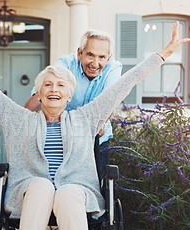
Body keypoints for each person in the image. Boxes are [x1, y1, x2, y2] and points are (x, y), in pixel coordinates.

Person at [0, 22, 189, 230]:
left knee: (68, 192)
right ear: (38, 94)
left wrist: (165, 53)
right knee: (40, 185)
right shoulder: (18, 119)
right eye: (48, 85)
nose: (54, 90)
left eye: (61, 86)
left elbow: (123, 85)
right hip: (30, 190)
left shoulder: (85, 117)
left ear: (70, 96)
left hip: (76, 191)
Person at [24, 30, 122, 178]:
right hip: (60, 137)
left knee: (96, 185)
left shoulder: (114, 68)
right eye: (90, 55)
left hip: (94, 140)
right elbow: (44, 92)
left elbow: (109, 99)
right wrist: (23, 119)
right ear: (79, 53)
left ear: (108, 58)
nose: (95, 63)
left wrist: (100, 122)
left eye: (102, 57)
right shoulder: (65, 63)